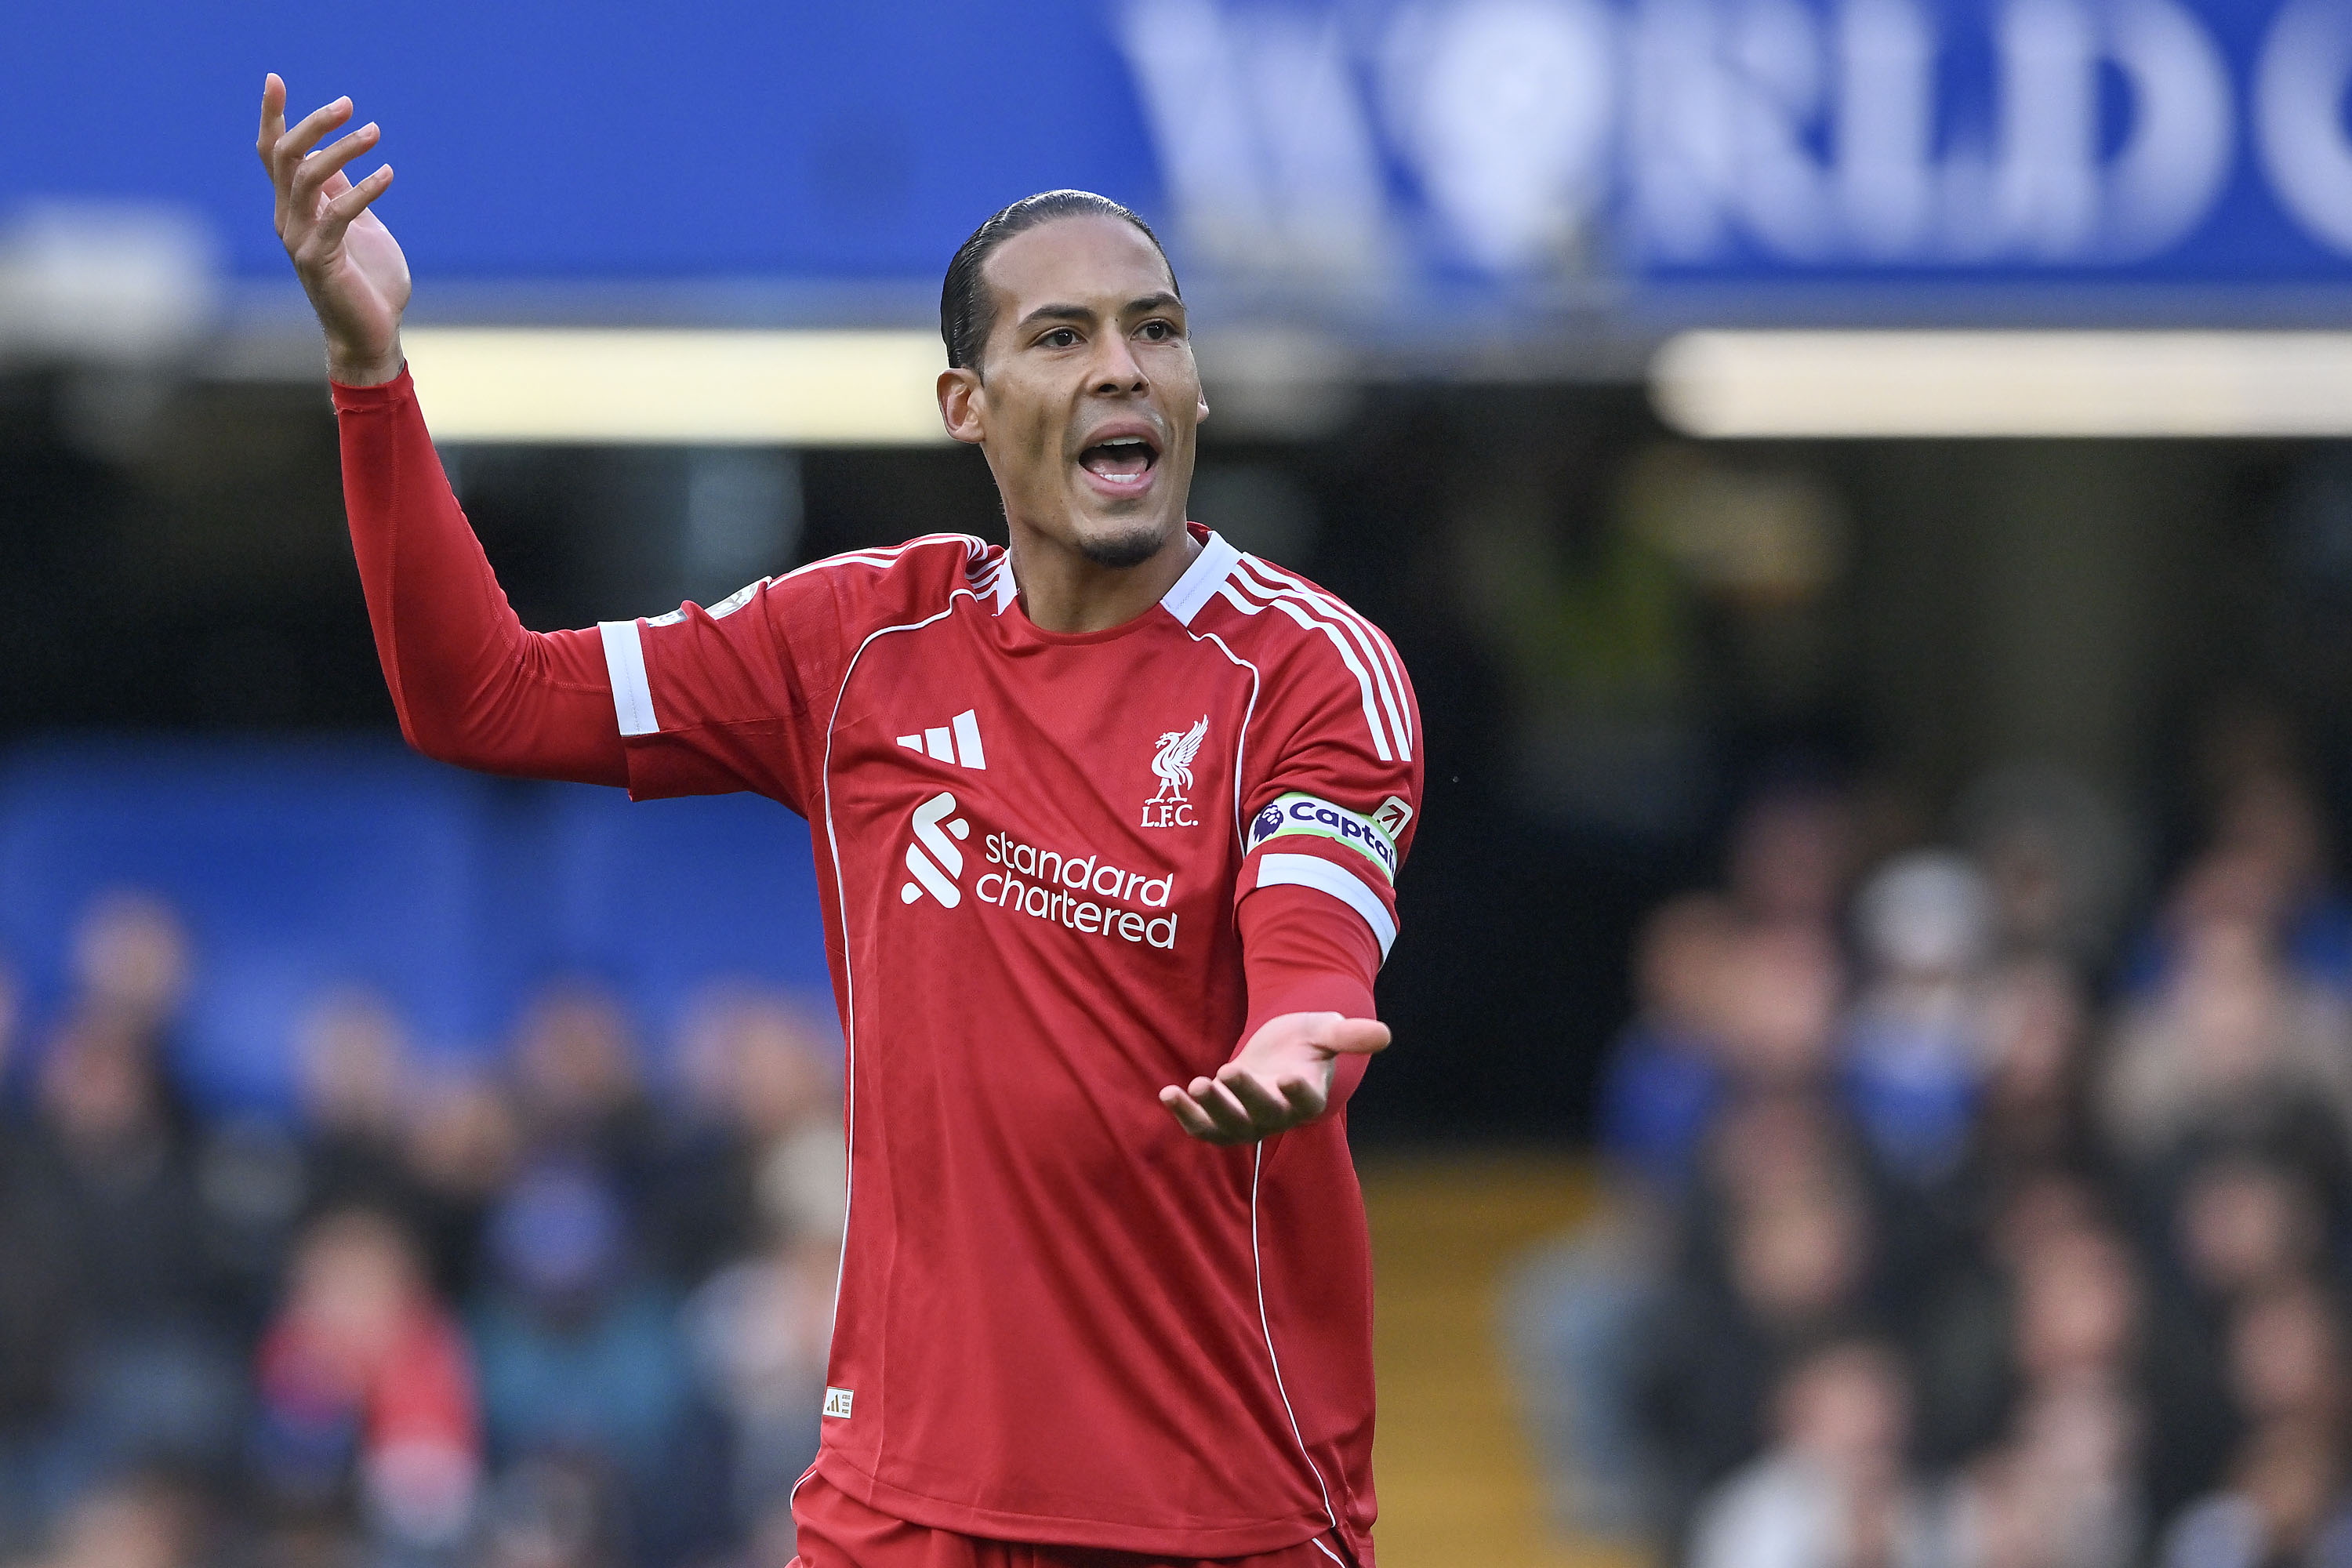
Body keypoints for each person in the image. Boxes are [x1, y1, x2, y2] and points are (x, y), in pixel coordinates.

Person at [256, 70, 1421, 1568]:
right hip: (898, 1506)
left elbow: (1315, 945)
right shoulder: (860, 643)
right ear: (967, 407)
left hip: (1211, 1507)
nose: (1123, 366)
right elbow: (479, 698)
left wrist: (1293, 1038)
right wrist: (370, 374)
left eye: (1158, 329)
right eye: (1061, 337)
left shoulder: (1304, 665)